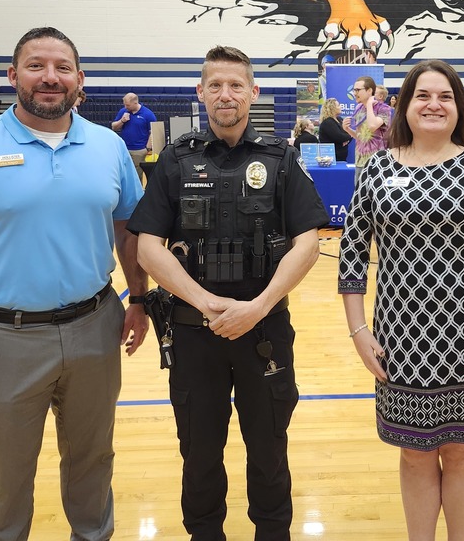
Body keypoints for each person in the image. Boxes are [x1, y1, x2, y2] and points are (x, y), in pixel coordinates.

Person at [0, 26, 149, 541]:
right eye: (36, 66)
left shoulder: (108, 148)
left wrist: (140, 298)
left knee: (92, 460)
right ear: (13, 76)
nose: (50, 78)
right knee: (6, 474)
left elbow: (129, 229)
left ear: (80, 80)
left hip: (95, 326)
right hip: (3, 338)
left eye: (62, 67)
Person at [127, 45, 329, 541]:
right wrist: (204, 302)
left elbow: (309, 242)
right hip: (196, 335)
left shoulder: (281, 159)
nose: (225, 94)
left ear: (253, 93)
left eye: (236, 85)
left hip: (265, 332)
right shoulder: (174, 161)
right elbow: (148, 248)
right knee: (198, 452)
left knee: (268, 447)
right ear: (201, 92)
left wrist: (257, 306)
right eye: (215, 85)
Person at [338, 59, 464, 541]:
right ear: (405, 105)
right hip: (399, 340)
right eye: (423, 95)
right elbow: (351, 255)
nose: (434, 104)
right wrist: (359, 331)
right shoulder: (377, 168)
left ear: (458, 107)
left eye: (445, 96)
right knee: (414, 452)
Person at [343, 75, 392, 182]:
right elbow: (361, 137)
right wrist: (348, 130)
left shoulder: (383, 108)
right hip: (360, 161)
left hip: (377, 162)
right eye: (354, 90)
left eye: (357, 90)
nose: (354, 93)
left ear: (369, 91)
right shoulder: (358, 108)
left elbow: (372, 126)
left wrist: (369, 105)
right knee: (359, 196)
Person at [112, 92, 157, 180]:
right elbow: (114, 127)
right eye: (125, 105)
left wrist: (147, 148)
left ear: (135, 103)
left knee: (136, 175)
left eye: (128, 105)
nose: (126, 107)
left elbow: (153, 132)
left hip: (139, 150)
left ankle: (137, 193)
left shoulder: (148, 114)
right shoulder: (123, 112)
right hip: (124, 149)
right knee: (123, 174)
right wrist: (122, 121)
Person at [318, 98, 351, 162]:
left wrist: (347, 138)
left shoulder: (340, 119)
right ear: (332, 108)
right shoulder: (328, 122)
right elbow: (339, 137)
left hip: (342, 156)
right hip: (331, 158)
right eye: (338, 105)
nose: (340, 107)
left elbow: (348, 132)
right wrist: (348, 137)